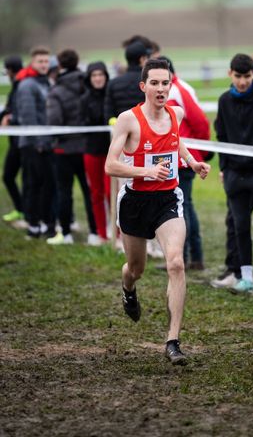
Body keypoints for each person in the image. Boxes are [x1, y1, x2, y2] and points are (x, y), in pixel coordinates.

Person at [105, 58, 210, 365]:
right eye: (155, 83)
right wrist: (147, 171)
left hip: (167, 201)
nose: (161, 89)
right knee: (135, 268)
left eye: (166, 83)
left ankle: (173, 341)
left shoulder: (176, 113)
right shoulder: (128, 120)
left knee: (176, 263)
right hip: (135, 203)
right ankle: (128, 288)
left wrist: (191, 162)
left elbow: (177, 144)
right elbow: (110, 165)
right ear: (144, 86)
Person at [213, 53, 253, 294]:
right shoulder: (224, 100)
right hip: (235, 175)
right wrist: (225, 168)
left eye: (247, 76)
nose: (243, 82)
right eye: (238, 76)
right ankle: (243, 276)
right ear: (230, 74)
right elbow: (222, 135)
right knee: (239, 226)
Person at [161, 56, 211, 270]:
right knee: (178, 208)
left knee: (183, 208)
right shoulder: (171, 90)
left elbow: (200, 122)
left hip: (183, 161)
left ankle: (192, 258)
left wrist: (202, 153)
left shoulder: (179, 90)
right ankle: (182, 257)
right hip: (171, 160)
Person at [46, 49, 98, 245]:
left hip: (63, 150)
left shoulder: (55, 91)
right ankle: (95, 233)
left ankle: (66, 234)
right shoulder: (87, 86)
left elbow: (54, 121)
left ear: (59, 65)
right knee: (90, 192)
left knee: (63, 192)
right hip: (86, 146)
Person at [15, 46, 57, 239]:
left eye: (46, 61)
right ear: (32, 62)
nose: (43, 65)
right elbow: (28, 117)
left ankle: (44, 222)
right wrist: (39, 142)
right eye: (40, 61)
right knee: (34, 185)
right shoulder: (27, 85)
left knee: (46, 185)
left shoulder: (46, 82)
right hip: (32, 144)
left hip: (46, 143)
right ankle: (33, 225)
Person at [79, 61, 111, 243]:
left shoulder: (110, 95)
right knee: (96, 194)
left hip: (110, 152)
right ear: (89, 78)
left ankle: (118, 233)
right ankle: (102, 234)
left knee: (110, 193)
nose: (98, 78)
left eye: (101, 75)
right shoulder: (84, 99)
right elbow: (80, 125)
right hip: (91, 151)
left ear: (106, 76)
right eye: (94, 75)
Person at [104, 37, 152, 123]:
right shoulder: (150, 81)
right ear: (142, 59)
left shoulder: (112, 84)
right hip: (145, 132)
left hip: (122, 132)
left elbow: (108, 115)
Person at [1, 55, 24, 223]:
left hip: (21, 141)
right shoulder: (17, 84)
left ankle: (23, 210)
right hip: (16, 140)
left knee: (9, 176)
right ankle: (21, 209)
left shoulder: (20, 85)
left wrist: (10, 118)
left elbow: (17, 110)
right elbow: (9, 108)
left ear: (9, 70)